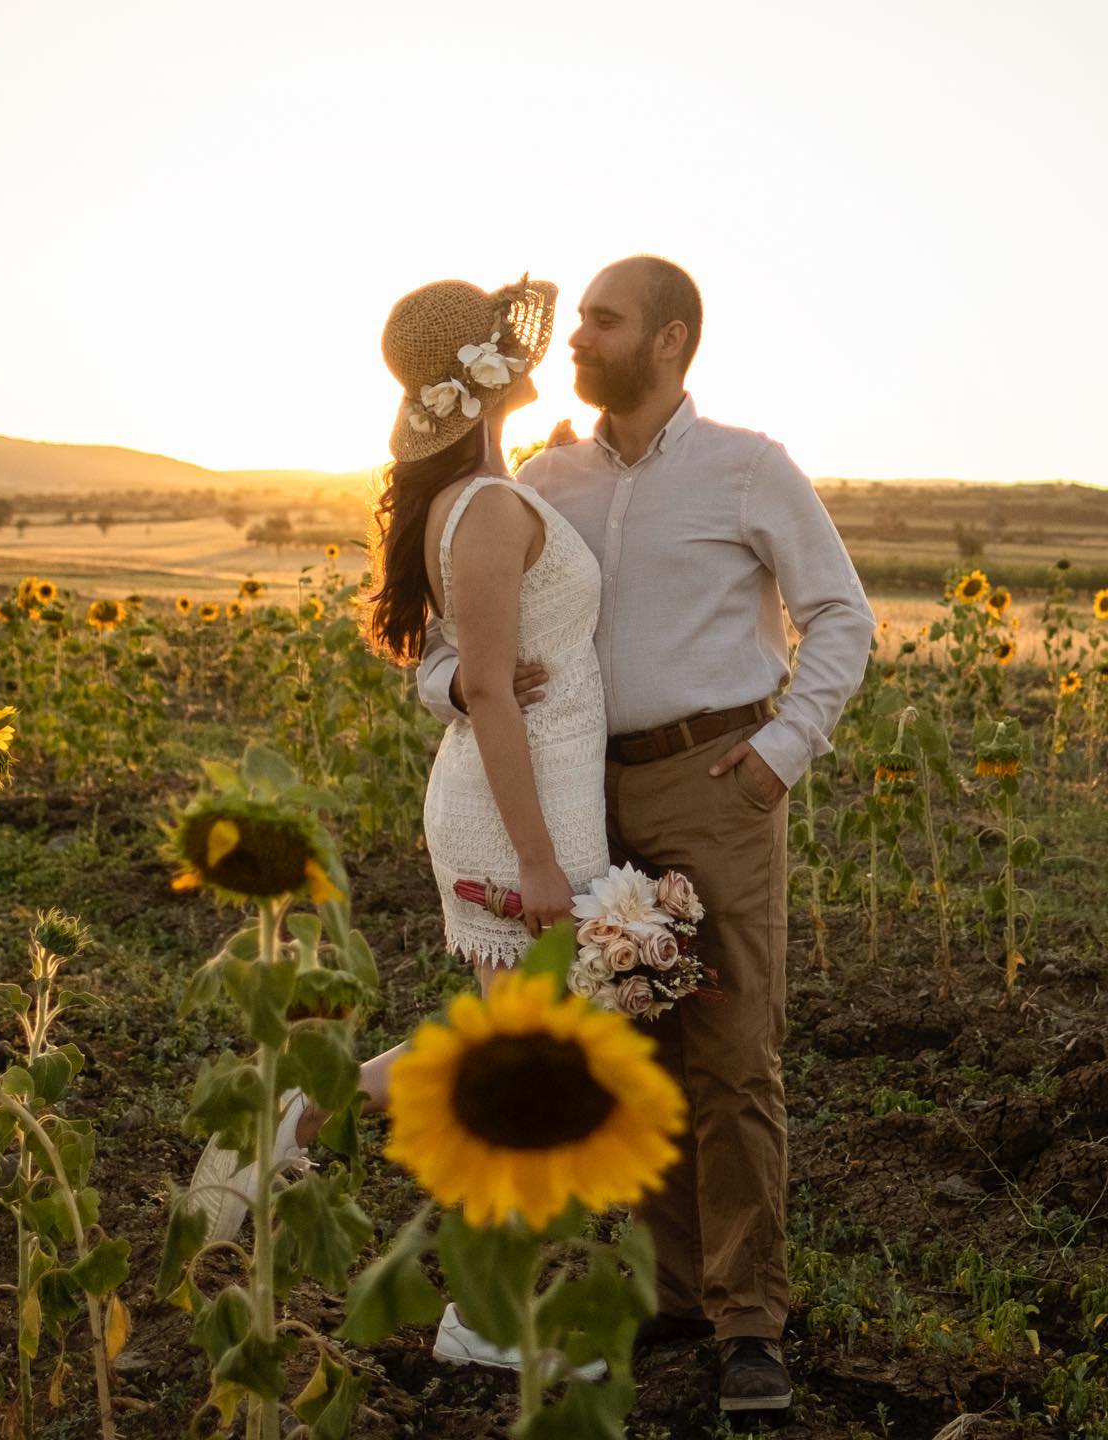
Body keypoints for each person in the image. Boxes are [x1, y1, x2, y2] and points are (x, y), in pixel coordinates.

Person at [417, 255, 876, 1415]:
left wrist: (782, 750)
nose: (575, 337)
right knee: (636, 1048)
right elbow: (451, 647)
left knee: (731, 1053)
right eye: (577, 320)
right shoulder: (544, 476)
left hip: (714, 780)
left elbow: (841, 616)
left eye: (602, 321)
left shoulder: (748, 469)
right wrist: (465, 690)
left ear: (670, 340)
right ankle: (676, 1289)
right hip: (582, 798)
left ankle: (749, 1322)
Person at [187, 273, 610, 1379]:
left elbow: (459, 674)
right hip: (516, 812)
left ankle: (318, 1104)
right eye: (508, 348)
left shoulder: (482, 496)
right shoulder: (488, 511)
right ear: (482, 378)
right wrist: (536, 859)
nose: (532, 356)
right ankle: (483, 1319)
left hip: (530, 793)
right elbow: (479, 688)